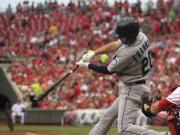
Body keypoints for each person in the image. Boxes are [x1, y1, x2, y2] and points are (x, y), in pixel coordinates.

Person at [76, 16, 168, 135]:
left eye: (122, 35)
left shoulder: (128, 53)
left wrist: (87, 65)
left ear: (129, 36)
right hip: (140, 84)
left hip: (133, 88)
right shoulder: (141, 36)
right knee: (108, 116)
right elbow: (115, 44)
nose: (119, 37)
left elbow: (108, 70)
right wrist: (94, 53)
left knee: (124, 129)